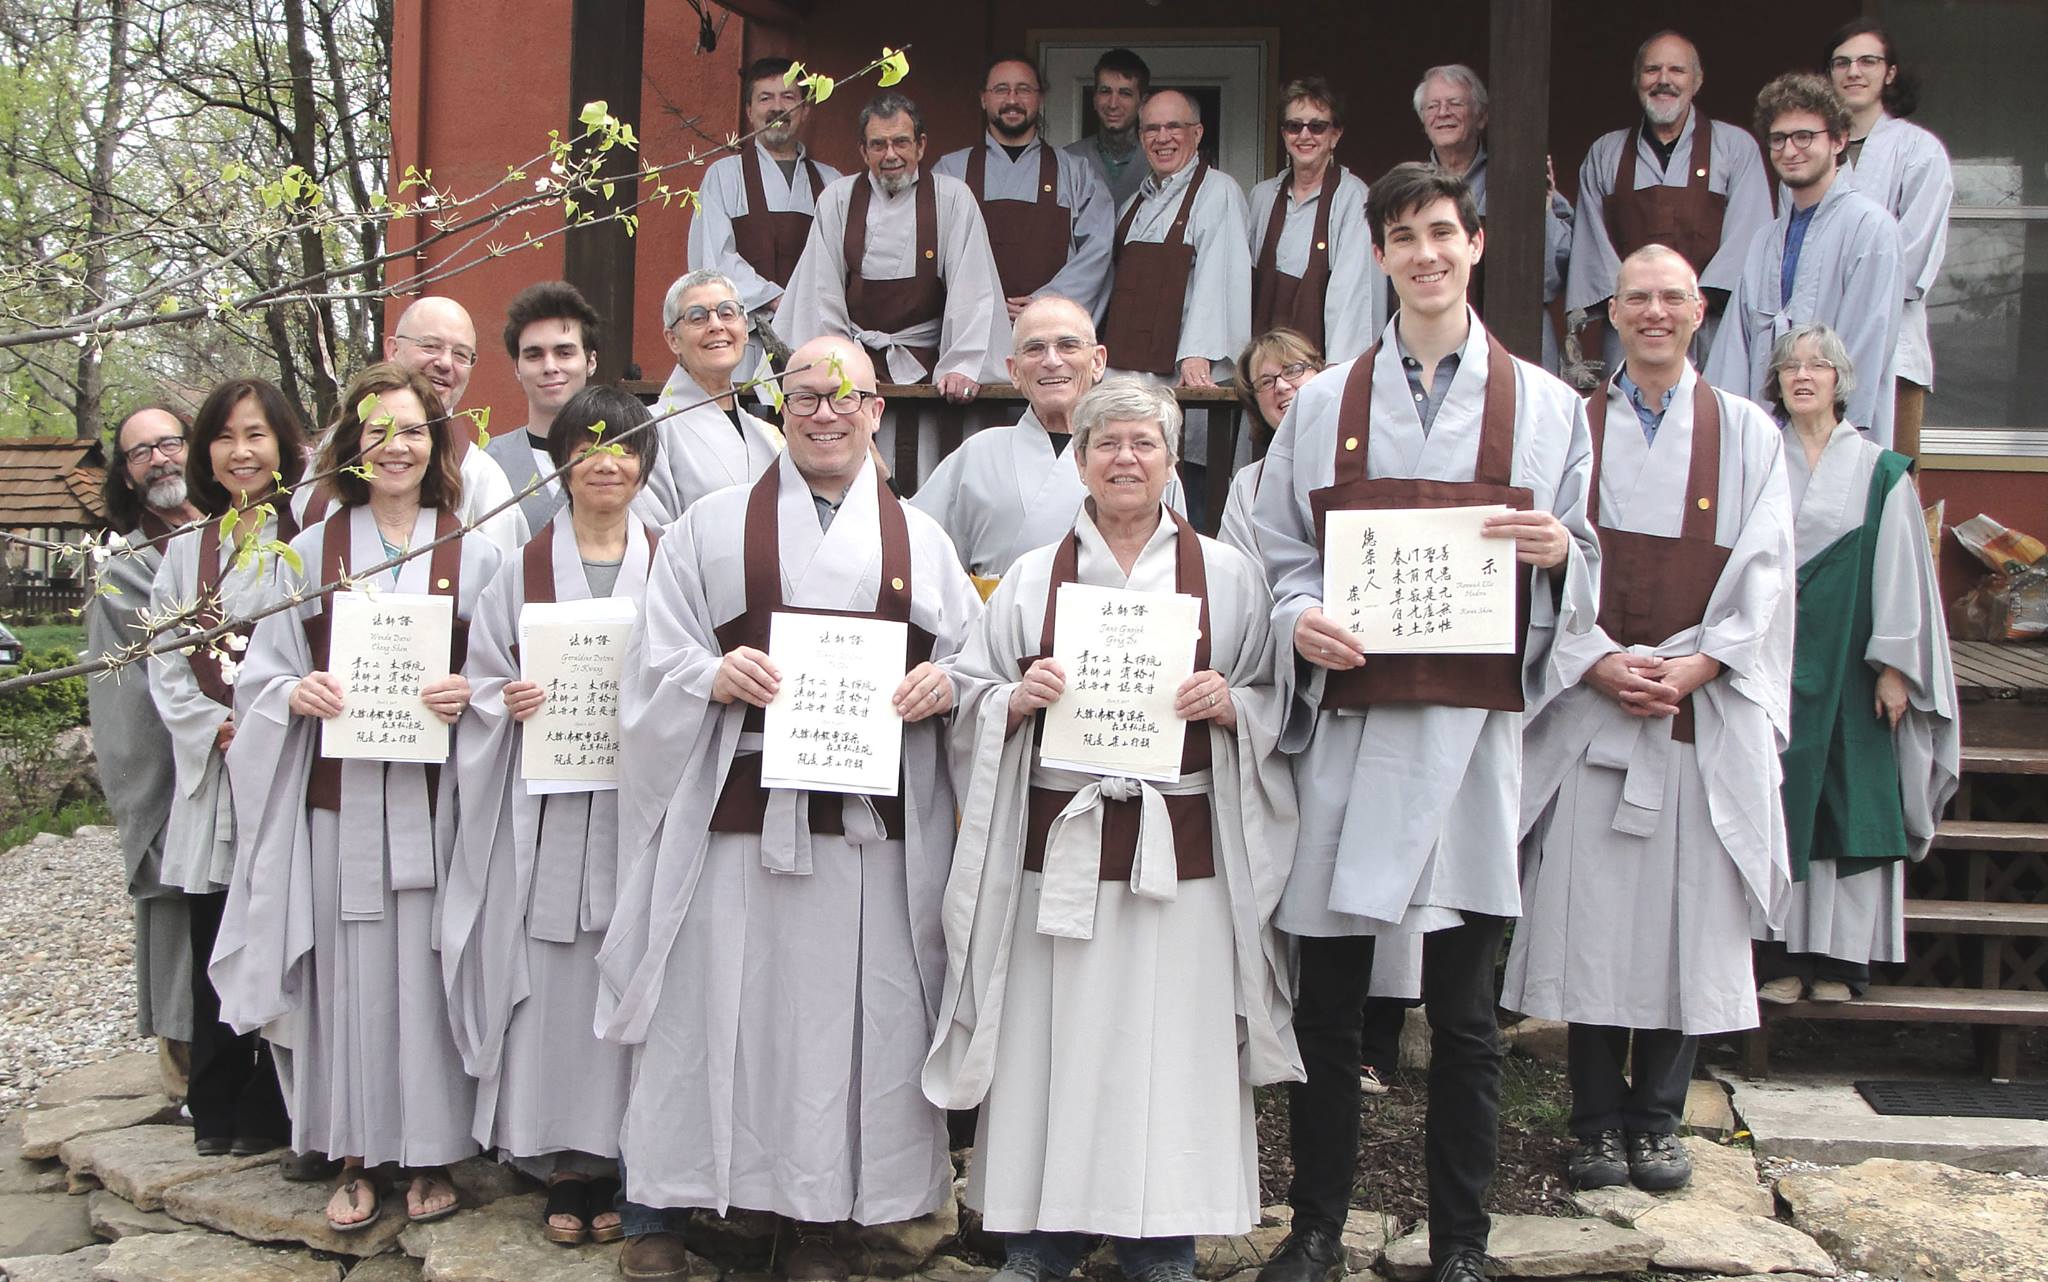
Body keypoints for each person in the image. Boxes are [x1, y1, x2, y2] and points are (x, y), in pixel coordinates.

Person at [1249, 163, 1598, 1282]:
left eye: (1441, 231)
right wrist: (1299, 617)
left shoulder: (1545, 406)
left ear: (1477, 241)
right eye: (1402, 236)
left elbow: (1579, 563)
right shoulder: (1318, 404)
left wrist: (1557, 558)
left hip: (1466, 747)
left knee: (1463, 1022)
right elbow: (1274, 555)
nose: (1425, 253)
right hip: (1352, 732)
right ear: (1379, 254)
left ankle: (1460, 1243)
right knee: (1331, 1015)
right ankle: (1314, 1230)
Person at [596, 336, 982, 1282]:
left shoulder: (920, 539)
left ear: (876, 409)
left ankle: (819, 1217)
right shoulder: (708, 527)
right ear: (781, 405)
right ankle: (667, 1202)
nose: (824, 412)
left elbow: (976, 666)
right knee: (704, 1007)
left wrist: (946, 686)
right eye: (806, 395)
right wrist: (709, 673)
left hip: (863, 830)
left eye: (845, 397)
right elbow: (652, 659)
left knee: (840, 1027)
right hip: (731, 811)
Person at [925, 377, 1300, 1282]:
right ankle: (1040, 1237)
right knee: (1050, 1042)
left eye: (1144, 443)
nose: (1124, 459)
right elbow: (969, 693)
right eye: (1106, 444)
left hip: (1185, 853)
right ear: (1081, 459)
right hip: (1059, 850)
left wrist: (1234, 706)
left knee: (1173, 1047)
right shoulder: (1029, 576)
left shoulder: (1230, 575)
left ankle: (1162, 1237)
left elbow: (1276, 703)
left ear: (1172, 460)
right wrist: (1014, 700)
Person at [1501, 246, 1796, 1194]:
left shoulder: (1748, 431)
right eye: (1638, 298)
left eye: (1673, 297)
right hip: (1596, 705)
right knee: (1591, 924)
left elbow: (1767, 568)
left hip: (1694, 711)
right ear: (1612, 313)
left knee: (1686, 921)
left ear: (1700, 310)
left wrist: (1702, 664)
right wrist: (1594, 662)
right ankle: (1592, 1122)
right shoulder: (1571, 426)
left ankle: (1658, 1118)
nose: (1656, 312)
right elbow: (1541, 561)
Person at [210, 363, 502, 1233]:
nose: (396, 447)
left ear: (437, 440)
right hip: (337, 801)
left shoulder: (476, 548)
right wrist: (293, 695)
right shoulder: (309, 553)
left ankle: (433, 1149)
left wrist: (469, 693)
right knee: (346, 976)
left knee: (428, 971)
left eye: (412, 430)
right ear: (351, 445)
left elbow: (504, 678)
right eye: (377, 432)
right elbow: (261, 679)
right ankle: (351, 1149)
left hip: (435, 799)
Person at [445, 386, 664, 1247]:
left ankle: (627, 1151)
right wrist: (509, 699)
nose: (606, 462)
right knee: (555, 975)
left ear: (646, 463)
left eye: (624, 446)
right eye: (589, 445)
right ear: (563, 459)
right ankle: (562, 1160)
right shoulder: (518, 570)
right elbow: (480, 681)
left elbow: (692, 673)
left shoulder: (673, 560)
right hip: (546, 806)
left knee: (632, 962)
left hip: (637, 806)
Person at [1223, 331, 1430, 1078]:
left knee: (1398, 855)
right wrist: (1294, 629)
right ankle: (1303, 1031)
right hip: (1298, 683)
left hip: (1402, 675)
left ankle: (1381, 1033)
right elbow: (1247, 587)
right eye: (1265, 379)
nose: (1283, 387)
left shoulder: (1379, 456)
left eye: (1296, 371)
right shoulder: (1250, 487)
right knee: (1311, 864)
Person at [1752, 324, 1958, 1004]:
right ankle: (1778, 953)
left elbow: (1901, 573)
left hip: (1852, 663)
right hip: (1774, 659)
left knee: (1848, 800)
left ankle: (1843, 961)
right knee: (1779, 796)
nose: (1802, 375)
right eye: (1790, 366)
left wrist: (1895, 666)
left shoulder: (1880, 471)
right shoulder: (1757, 462)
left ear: (1840, 380)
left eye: (1816, 365)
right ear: (1777, 383)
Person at [147, 379, 310, 1158]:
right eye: (224, 437)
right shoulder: (187, 550)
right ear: (206, 451)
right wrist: (216, 726)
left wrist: (270, 720)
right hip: (217, 768)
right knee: (212, 930)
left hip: (283, 767)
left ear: (284, 443)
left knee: (276, 925)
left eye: (256, 435)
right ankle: (214, 1100)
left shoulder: (306, 539)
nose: (241, 451)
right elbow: (163, 662)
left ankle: (272, 1105)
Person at [913, 295, 1183, 597]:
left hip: (1111, 633)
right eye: (1035, 349)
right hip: (1000, 634)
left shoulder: (1140, 460)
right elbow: (916, 548)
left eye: (1068, 346)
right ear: (1014, 370)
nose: (1052, 361)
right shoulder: (978, 454)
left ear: (1098, 362)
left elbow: (1175, 566)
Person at [86, 405, 203, 1096]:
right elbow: (127, 698)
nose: (159, 459)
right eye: (140, 453)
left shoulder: (242, 537)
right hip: (174, 775)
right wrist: (153, 800)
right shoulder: (124, 570)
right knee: (177, 923)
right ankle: (187, 1077)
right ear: (126, 477)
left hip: (254, 766)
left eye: (169, 442)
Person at [1705, 74, 1904, 446]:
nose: (1790, 149)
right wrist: (1728, 432)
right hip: (1765, 440)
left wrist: (1830, 434)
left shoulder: (1870, 228)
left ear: (1839, 139)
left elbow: (1865, 343)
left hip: (1835, 439)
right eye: (1778, 139)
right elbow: (1736, 345)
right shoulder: (1766, 239)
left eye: (1804, 136)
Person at [1567, 32, 1774, 378]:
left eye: (1677, 70)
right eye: (1652, 70)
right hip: (1633, 326)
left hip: (1711, 326)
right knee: (1629, 420)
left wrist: (1694, 302)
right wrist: (1640, 305)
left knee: (1711, 421)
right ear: (1637, 80)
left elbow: (1749, 238)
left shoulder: (1736, 149)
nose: (1664, 80)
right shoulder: (1606, 154)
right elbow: (1592, 248)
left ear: (1697, 80)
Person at [779, 92, 1009, 399]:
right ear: (863, 151)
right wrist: (836, 365)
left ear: (921, 145)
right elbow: (820, 294)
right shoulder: (837, 199)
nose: (890, 155)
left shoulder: (953, 199)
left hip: (929, 370)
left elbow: (972, 291)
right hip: (854, 371)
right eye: (878, 144)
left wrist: (962, 365)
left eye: (901, 142)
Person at [1102, 88, 1252, 522]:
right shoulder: (1136, 202)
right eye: (1151, 128)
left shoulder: (1217, 192)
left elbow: (1220, 276)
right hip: (1130, 376)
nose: (1162, 137)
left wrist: (1198, 354)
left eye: (1174, 127)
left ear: (1197, 133)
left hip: (1187, 377)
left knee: (1188, 492)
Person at [1823, 19, 1953, 461]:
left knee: (1890, 481)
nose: (1853, 71)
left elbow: (1909, 257)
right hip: (1818, 350)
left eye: (1867, 61)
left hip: (1894, 345)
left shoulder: (1920, 150)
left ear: (1890, 73)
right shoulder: (1812, 153)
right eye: (1842, 62)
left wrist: (1843, 290)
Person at [690, 56, 845, 400]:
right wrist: (776, 299)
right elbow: (713, 261)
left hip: (812, 345)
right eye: (765, 98)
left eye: (789, 98)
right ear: (749, 110)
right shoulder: (724, 177)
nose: (778, 107)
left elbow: (842, 265)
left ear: (806, 109)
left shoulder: (831, 184)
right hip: (744, 345)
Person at [1409, 65, 1572, 375]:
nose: (1443, 113)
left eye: (1455, 104)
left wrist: (1544, 206)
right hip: (1436, 344)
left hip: (1517, 342)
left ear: (1481, 117)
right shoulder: (1408, 190)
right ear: (1424, 122)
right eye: (1433, 106)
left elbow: (1551, 282)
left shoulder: (1519, 177)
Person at [935, 58, 1115, 324]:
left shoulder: (1077, 174)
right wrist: (981, 304)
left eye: (1023, 89)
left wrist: (1047, 301)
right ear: (983, 98)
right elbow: (932, 254)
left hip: (1049, 330)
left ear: (1040, 97)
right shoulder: (950, 173)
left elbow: (1098, 252)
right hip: (972, 328)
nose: (1012, 99)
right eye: (1001, 89)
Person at [373, 295, 528, 551]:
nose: (445, 363)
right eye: (430, 346)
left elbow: (498, 581)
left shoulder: (482, 478)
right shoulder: (340, 450)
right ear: (393, 350)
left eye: (461, 354)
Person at [1247, 77, 1383, 367]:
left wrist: (1339, 372)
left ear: (1335, 135)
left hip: (1321, 361)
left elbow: (1354, 296)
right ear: (1283, 134)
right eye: (1294, 126)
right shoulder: (1262, 197)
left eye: (1317, 126)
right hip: (1264, 361)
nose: (1304, 135)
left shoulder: (1353, 197)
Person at [637, 270, 783, 525]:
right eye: (697, 317)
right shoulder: (650, 429)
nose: (716, 326)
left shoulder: (766, 433)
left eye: (727, 313)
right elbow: (653, 534)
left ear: (745, 329)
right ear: (673, 340)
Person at [481, 282, 600, 533]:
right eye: (534, 355)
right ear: (516, 367)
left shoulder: (623, 455)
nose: (550, 366)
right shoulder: (488, 463)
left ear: (590, 361)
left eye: (564, 353)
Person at [1063, 49, 1150, 212]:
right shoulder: (1066, 160)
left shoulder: (1158, 161)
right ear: (1095, 99)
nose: (1113, 104)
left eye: (1125, 93)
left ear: (1142, 103)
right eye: (1105, 92)